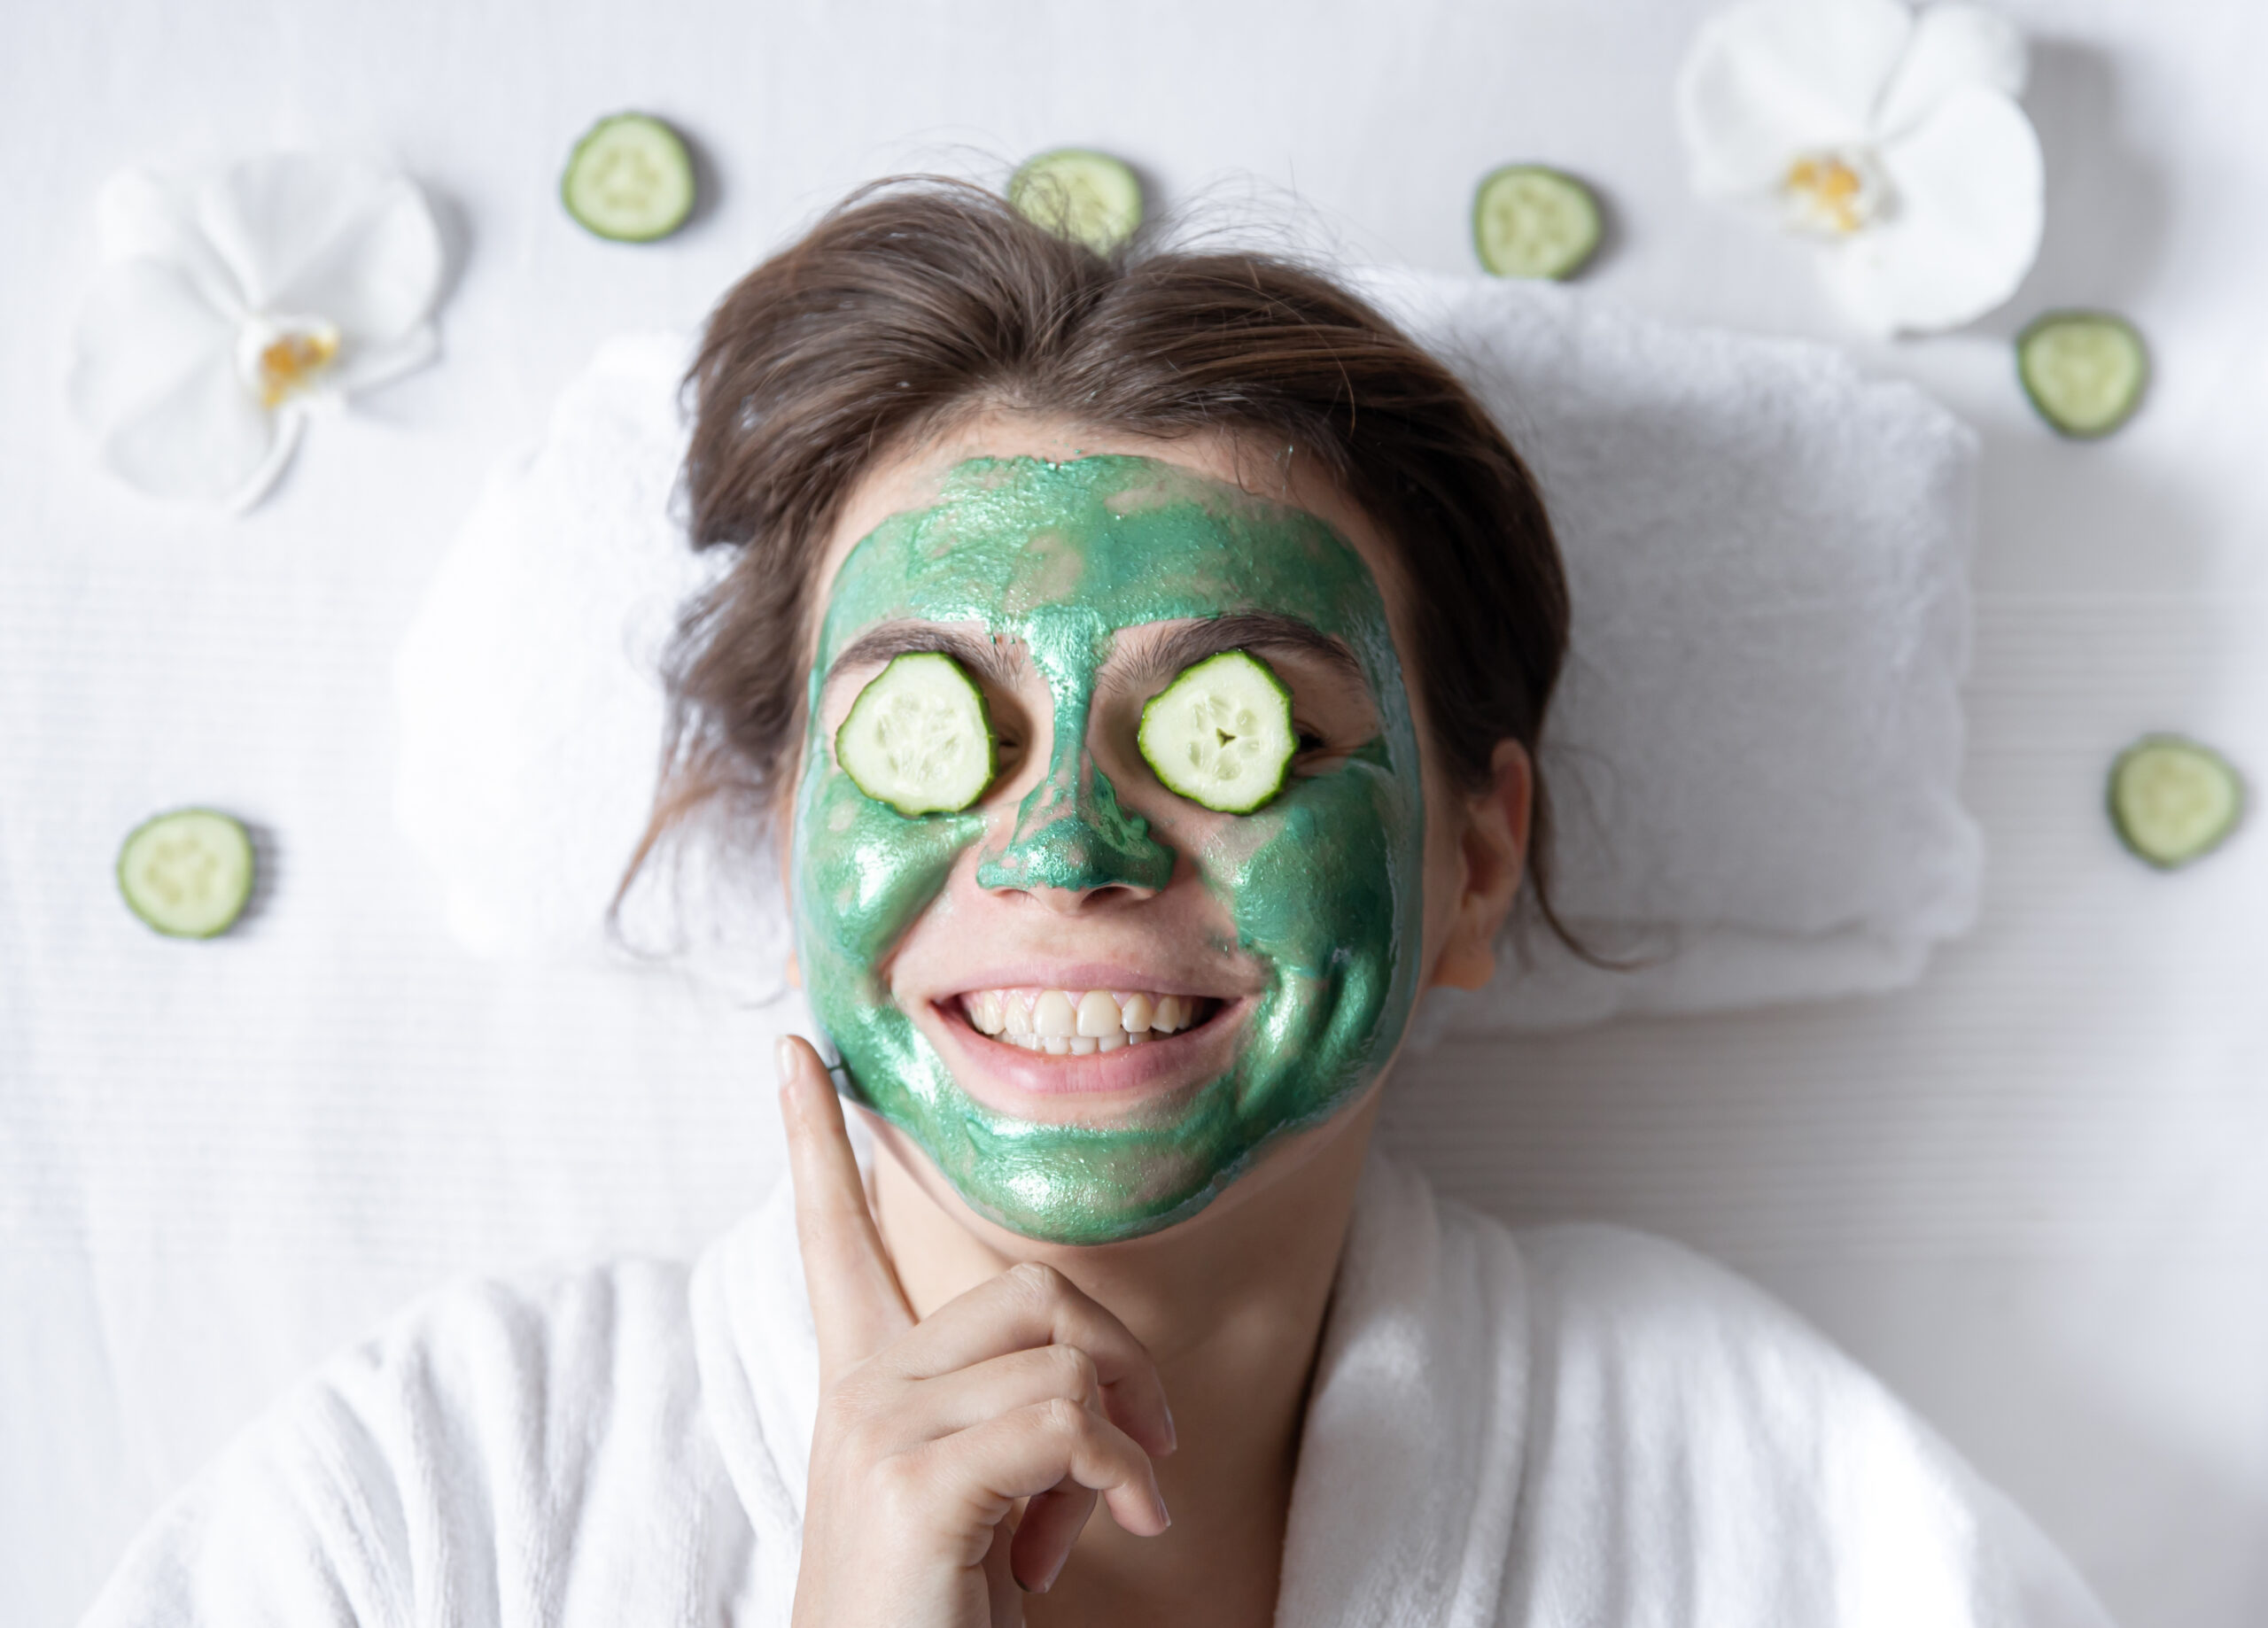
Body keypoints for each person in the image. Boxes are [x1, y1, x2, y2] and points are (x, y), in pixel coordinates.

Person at [82, 179, 2114, 1627]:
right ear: (793, 834)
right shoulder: (432, 1503)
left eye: (1222, 725)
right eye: (922, 734)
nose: (1062, 842)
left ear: (1470, 858)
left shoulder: (1771, 1507)